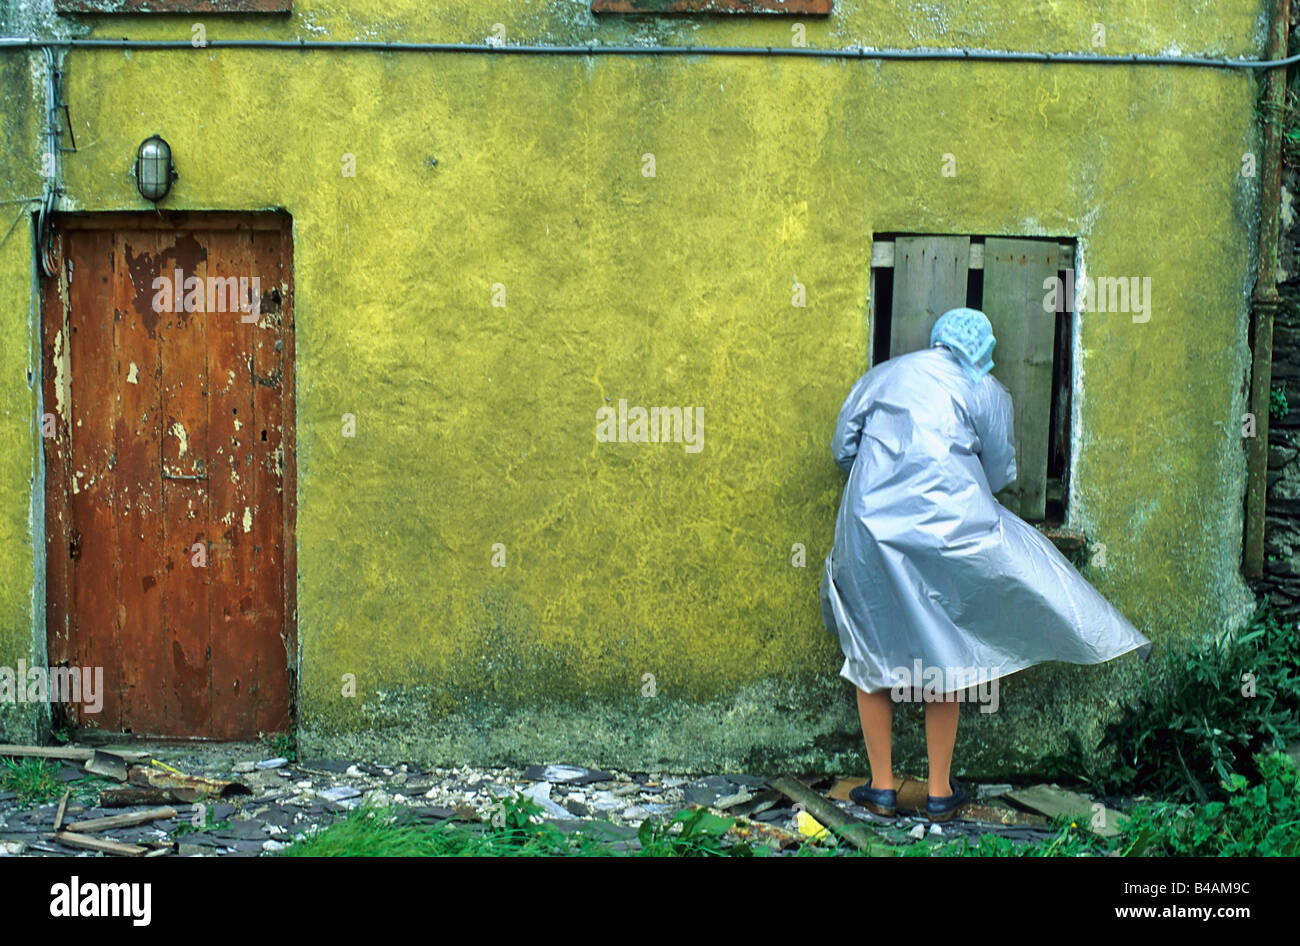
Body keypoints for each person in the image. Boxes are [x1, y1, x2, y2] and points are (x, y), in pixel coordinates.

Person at [819, 307, 1152, 822]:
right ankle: (937, 792)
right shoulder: (987, 390)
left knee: (869, 651)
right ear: (983, 348)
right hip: (949, 529)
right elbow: (999, 471)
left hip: (871, 527)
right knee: (945, 652)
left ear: (934, 341)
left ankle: (881, 788)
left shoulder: (884, 375)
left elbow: (843, 449)